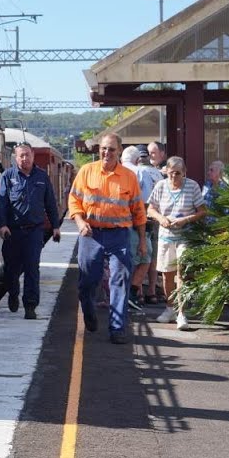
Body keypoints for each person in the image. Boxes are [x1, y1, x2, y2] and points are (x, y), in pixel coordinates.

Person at [67, 133, 148, 344]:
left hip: (119, 235)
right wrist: (80, 223)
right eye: (103, 148)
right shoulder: (86, 172)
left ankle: (117, 328)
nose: (106, 153)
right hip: (91, 234)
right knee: (88, 280)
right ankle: (88, 311)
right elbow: (74, 201)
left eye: (111, 149)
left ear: (119, 151)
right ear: (99, 150)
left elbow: (138, 211)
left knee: (120, 280)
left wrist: (141, 241)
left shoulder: (129, 177)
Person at [0, 144, 61, 319]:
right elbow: (1, 203)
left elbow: (51, 203)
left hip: (34, 231)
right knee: (11, 269)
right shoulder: (7, 177)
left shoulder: (42, 177)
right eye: (21, 156)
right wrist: (2, 225)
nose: (25, 158)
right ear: (15, 158)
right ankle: (13, 293)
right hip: (13, 232)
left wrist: (55, 226)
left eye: (27, 155)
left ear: (32, 156)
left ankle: (30, 306)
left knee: (32, 268)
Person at [147, 156, 207, 331]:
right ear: (166, 172)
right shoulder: (160, 186)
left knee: (181, 272)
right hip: (166, 235)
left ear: (184, 173)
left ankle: (182, 312)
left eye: (178, 174)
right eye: (171, 173)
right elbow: (150, 208)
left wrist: (186, 220)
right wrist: (161, 218)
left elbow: (202, 211)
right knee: (166, 274)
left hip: (185, 236)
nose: (174, 177)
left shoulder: (192, 186)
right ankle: (169, 308)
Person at [120, 146, 160, 315]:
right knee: (145, 258)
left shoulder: (117, 171)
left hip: (116, 225)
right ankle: (131, 294)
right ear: (137, 160)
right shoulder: (140, 172)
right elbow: (142, 203)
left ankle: (126, 296)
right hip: (135, 225)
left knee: (123, 262)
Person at [145, 141, 169, 304]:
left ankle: (156, 288)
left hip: (164, 220)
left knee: (157, 255)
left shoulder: (169, 170)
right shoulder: (148, 170)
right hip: (153, 218)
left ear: (162, 154)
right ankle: (153, 288)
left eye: (153, 153)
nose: (150, 156)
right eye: (149, 153)